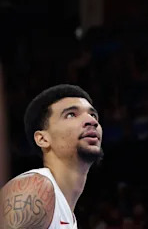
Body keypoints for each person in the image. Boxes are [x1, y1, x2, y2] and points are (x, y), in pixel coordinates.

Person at [0, 85, 103, 229]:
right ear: (43, 139)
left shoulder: (66, 214)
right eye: (71, 114)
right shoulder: (36, 188)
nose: (92, 121)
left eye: (93, 115)